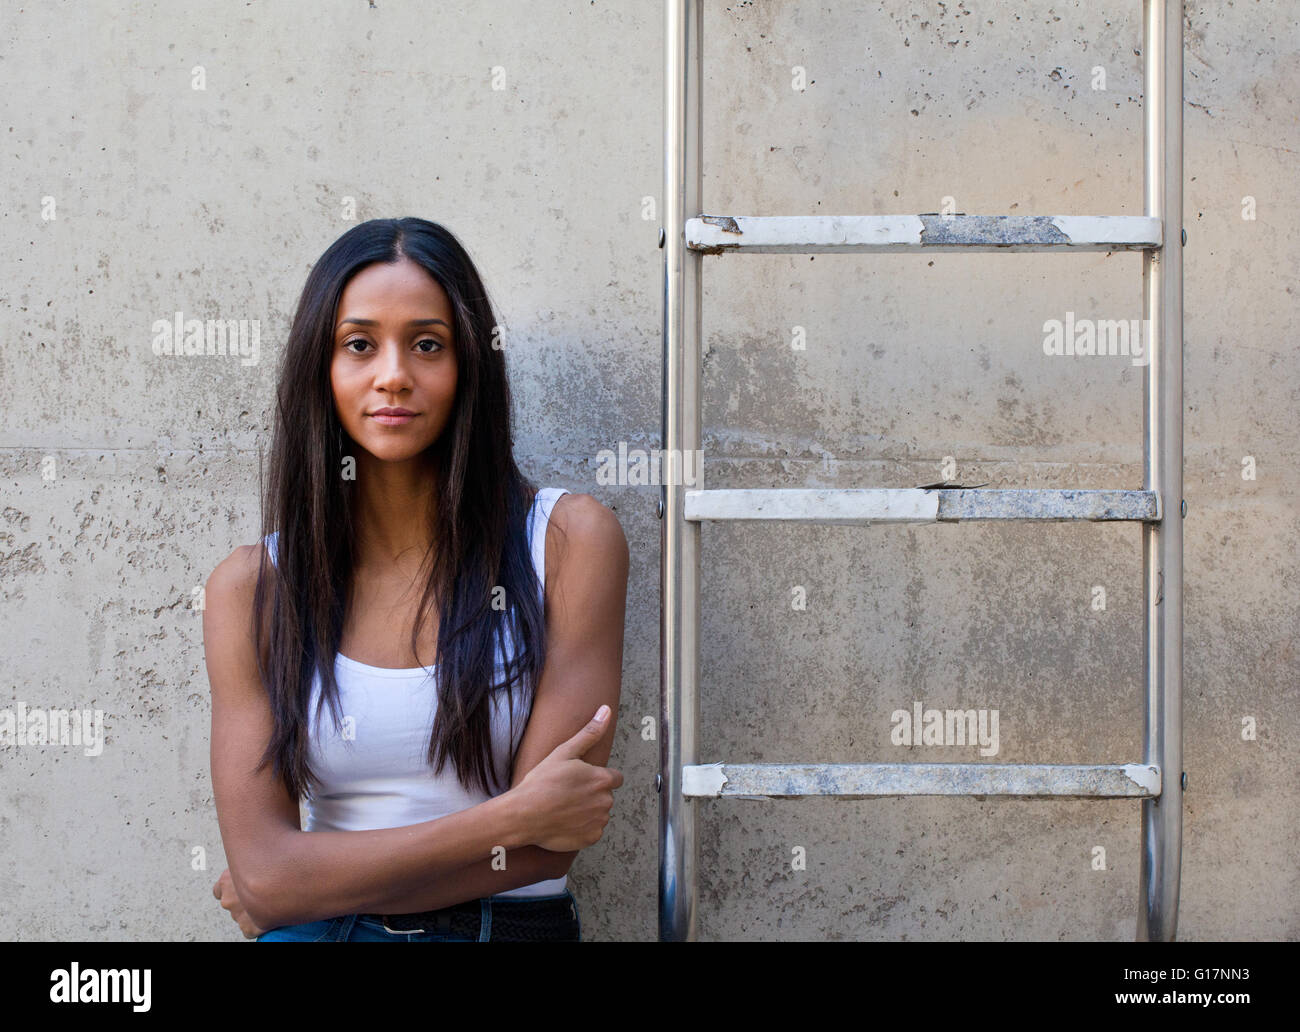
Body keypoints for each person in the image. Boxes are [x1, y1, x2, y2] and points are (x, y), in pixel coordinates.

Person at [204, 217, 628, 941]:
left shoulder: (566, 542)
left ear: (468, 365)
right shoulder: (253, 589)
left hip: (503, 927)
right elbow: (266, 877)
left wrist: (306, 882)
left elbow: (549, 841)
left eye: (427, 344)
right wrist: (507, 815)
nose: (393, 373)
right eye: (360, 344)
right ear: (322, 366)